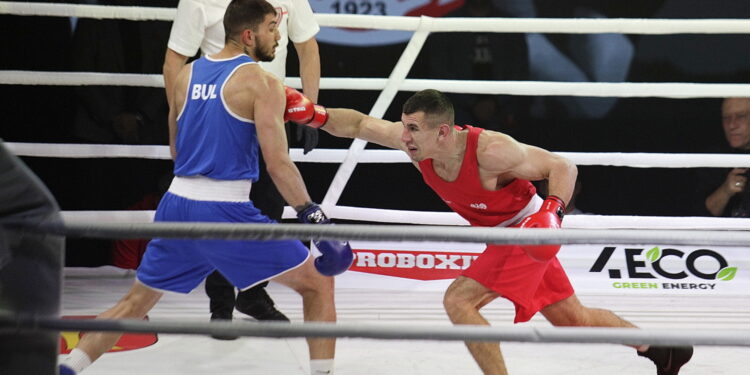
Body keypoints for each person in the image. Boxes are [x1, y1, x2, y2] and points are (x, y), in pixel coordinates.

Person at [283, 87, 694, 375]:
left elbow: (563, 167)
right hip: (501, 236)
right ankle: (663, 348)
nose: (403, 136)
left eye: (413, 129)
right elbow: (357, 124)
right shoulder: (415, 146)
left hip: (525, 232)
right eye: (405, 127)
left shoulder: (491, 151)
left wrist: (552, 212)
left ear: (443, 131)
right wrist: (314, 114)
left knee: (459, 301)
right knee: (572, 318)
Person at [59, 2, 351, 374]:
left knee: (134, 305)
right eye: (273, 28)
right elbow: (278, 164)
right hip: (225, 212)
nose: (279, 37)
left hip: (177, 204)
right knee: (318, 285)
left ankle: (68, 368)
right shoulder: (263, 83)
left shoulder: (186, 75)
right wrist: (313, 214)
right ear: (249, 35)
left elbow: (176, 146)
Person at [162, 0, 321, 329]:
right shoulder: (198, 2)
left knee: (269, 206)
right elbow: (175, 59)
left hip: (271, 109)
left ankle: (253, 291)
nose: (275, 33)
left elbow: (307, 47)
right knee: (222, 206)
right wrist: (182, 119)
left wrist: (310, 108)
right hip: (220, 115)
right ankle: (221, 304)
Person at [702, 97, 750, 217]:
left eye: (741, 116)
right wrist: (725, 191)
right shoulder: (714, 158)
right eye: (726, 118)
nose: (732, 125)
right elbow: (697, 216)